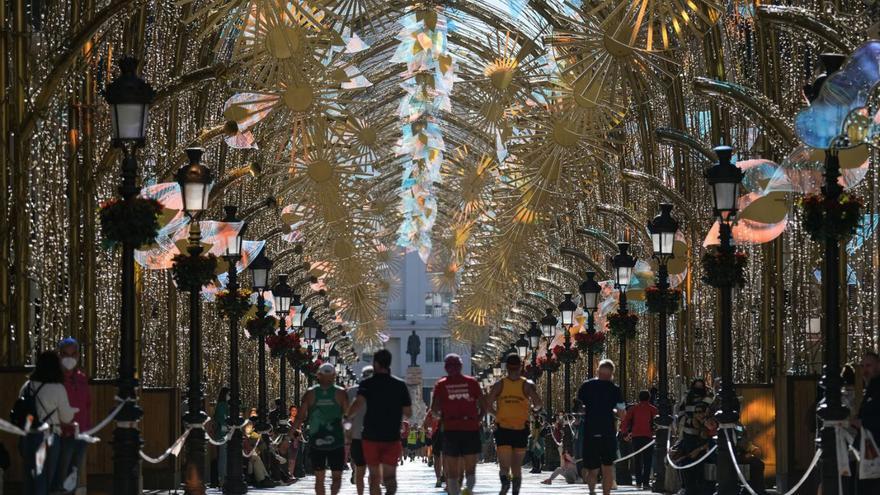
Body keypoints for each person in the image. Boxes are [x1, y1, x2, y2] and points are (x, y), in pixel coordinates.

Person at [346, 349, 412, 495]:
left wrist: (347, 417)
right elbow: (408, 412)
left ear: (375, 363)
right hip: (391, 437)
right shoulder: (399, 385)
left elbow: (357, 404)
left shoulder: (368, 384)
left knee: (374, 476)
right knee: (389, 476)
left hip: (371, 437)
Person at [18, 351, 78, 495]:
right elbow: (66, 417)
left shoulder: (27, 386)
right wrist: (73, 411)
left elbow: (20, 408)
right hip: (49, 436)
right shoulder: (57, 388)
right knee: (45, 480)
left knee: (30, 478)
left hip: (28, 436)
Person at [485, 353, 543, 495]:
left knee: (504, 465)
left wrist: (496, 414)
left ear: (506, 367)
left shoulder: (499, 385)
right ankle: (515, 490)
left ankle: (505, 483)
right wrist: (531, 410)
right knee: (516, 466)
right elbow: (539, 404)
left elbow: (487, 405)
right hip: (520, 429)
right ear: (520, 366)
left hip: (503, 429)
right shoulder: (526, 385)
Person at [292, 363, 349, 495]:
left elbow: (300, 417)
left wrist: (288, 436)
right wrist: (349, 433)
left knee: (320, 478)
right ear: (334, 375)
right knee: (334, 478)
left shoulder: (312, 393)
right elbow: (348, 417)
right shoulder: (339, 393)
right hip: (334, 441)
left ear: (318, 375)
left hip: (320, 440)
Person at [430, 353, 483, 495]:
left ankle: (455, 492)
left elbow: (434, 410)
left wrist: (442, 416)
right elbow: (484, 404)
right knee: (470, 469)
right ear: (461, 366)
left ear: (445, 368)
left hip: (451, 430)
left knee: (452, 472)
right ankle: (468, 490)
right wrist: (478, 418)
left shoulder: (441, 385)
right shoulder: (472, 382)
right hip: (470, 429)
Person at [576, 359, 625, 495]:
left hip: (591, 431)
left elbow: (580, 408)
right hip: (608, 432)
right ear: (612, 374)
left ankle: (592, 491)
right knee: (608, 467)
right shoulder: (615, 389)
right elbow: (622, 413)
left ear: (597, 371)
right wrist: (617, 415)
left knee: (592, 469)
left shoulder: (586, 386)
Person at [55, 337, 92, 494]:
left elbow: (87, 404)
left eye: (73, 354)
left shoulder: (82, 378)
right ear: (60, 356)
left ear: (78, 356)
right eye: (65, 354)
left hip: (81, 434)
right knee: (61, 473)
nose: (69, 358)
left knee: (74, 474)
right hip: (63, 434)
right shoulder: (55, 379)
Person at [621, 390, 657, 490]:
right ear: (649, 398)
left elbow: (625, 421)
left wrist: (624, 433)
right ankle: (645, 482)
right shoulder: (653, 409)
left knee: (637, 460)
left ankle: (638, 482)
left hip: (636, 436)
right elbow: (657, 423)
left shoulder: (633, 409)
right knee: (647, 460)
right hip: (648, 437)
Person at [855, 351, 880, 492]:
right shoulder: (871, 387)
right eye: (862, 366)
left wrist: (862, 423)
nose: (865, 370)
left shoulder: (875, 387)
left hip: (874, 449)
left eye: (868, 365)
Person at [347, 366, 373, 495]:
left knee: (359, 468)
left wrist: (346, 431)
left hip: (357, 436)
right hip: (374, 437)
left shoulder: (352, 392)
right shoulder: (382, 392)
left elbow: (345, 415)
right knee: (372, 470)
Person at [213, 387, 230, 488]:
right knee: (223, 457)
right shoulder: (222, 405)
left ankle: (223, 478)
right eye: (228, 394)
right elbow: (222, 418)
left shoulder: (222, 405)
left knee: (224, 456)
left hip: (223, 433)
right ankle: (222, 479)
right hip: (223, 434)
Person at [423, 409, 444, 487]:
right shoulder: (451, 405)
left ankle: (438, 479)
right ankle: (444, 476)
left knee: (437, 457)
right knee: (446, 456)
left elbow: (425, 423)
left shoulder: (432, 410)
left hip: (436, 434)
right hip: (446, 433)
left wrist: (427, 432)